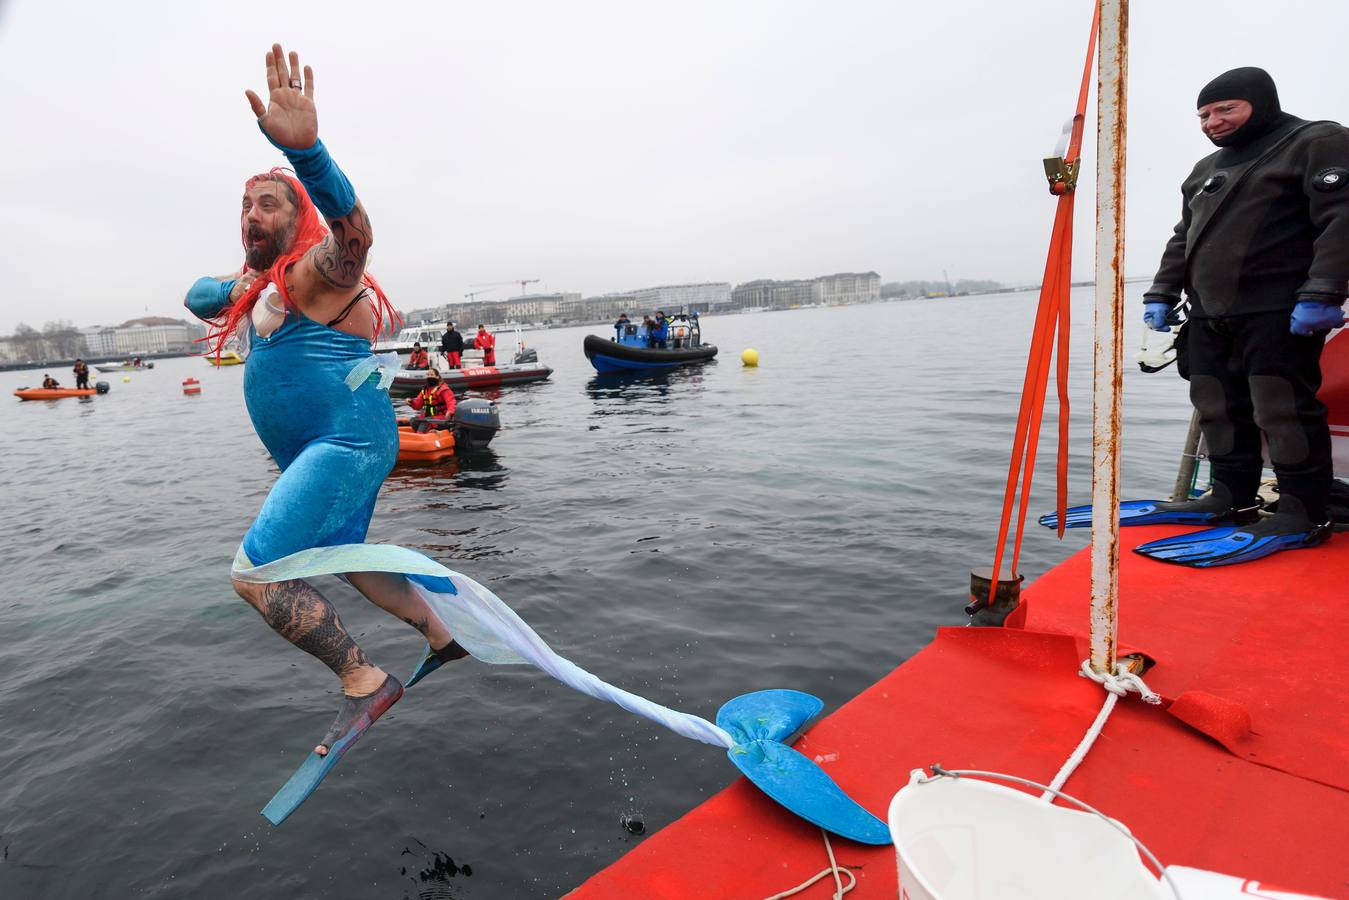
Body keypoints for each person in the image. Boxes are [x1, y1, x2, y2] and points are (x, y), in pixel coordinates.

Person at [181, 43, 470, 765]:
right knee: (349, 560)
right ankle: (444, 636)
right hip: (331, 445)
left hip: (345, 444)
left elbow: (358, 235)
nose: (251, 214)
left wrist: (307, 158)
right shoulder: (265, 283)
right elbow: (194, 296)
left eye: (267, 204)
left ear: (299, 217)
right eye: (244, 205)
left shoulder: (319, 271)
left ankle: (363, 680)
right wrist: (245, 274)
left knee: (253, 573)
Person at [1130, 67, 1349, 567]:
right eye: (1204, 114)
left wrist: (1324, 291)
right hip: (1210, 313)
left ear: (1261, 102)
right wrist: (1160, 293)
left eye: (1226, 109)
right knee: (1216, 404)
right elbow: (1183, 237)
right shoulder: (1205, 168)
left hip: (1280, 308)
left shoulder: (1316, 141)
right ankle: (1230, 496)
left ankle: (1302, 512)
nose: (1213, 121)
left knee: (1281, 407)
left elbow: (1343, 216)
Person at [407, 367, 456, 431]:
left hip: (441, 418)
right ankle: (423, 434)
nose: (429, 377)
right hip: (428, 417)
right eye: (428, 375)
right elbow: (418, 404)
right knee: (413, 421)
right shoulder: (425, 390)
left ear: (437, 377)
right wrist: (411, 402)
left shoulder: (443, 389)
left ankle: (422, 436)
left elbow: (451, 402)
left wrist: (450, 412)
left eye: (432, 375)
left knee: (425, 422)